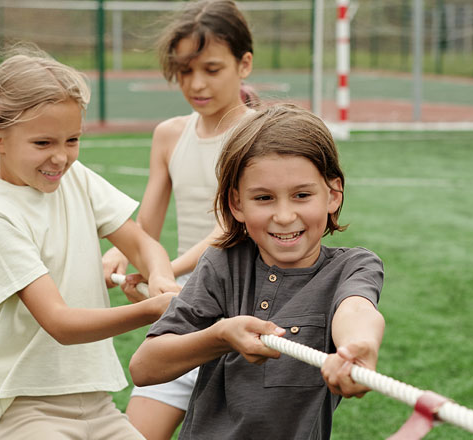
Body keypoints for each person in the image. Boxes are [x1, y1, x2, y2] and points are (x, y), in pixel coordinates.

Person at [0, 50, 181, 439]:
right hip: (27, 411)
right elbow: (60, 323)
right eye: (43, 142)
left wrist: (162, 278)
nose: (61, 157)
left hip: (98, 404)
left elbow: (142, 243)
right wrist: (154, 309)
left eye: (72, 140)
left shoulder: (76, 178)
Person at [128, 104, 387, 439]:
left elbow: (357, 309)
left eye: (301, 195)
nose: (283, 215)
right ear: (237, 204)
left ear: (333, 194)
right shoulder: (222, 264)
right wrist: (220, 336)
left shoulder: (353, 266)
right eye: (264, 198)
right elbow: (144, 367)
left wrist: (358, 345)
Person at [98, 1, 259, 436]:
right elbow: (146, 220)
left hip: (250, 315)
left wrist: (163, 269)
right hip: (187, 314)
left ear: (244, 64)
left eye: (211, 68)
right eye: (185, 71)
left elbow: (231, 228)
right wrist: (120, 251)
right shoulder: (169, 134)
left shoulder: (261, 133)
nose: (196, 84)